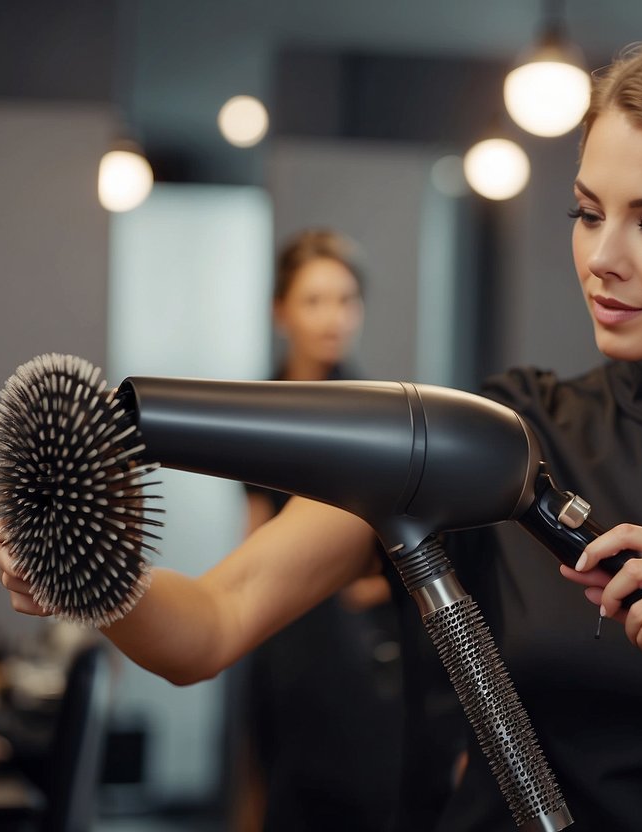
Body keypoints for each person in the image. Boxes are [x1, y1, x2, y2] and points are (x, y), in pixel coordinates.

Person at [0, 24, 642, 832]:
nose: (601, 258)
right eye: (585, 210)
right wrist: (97, 572)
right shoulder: (496, 437)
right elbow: (209, 624)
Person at [229, 228, 405, 832]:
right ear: (282, 311)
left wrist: (374, 591)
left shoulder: (377, 409)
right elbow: (254, 531)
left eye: (346, 299)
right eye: (314, 300)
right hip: (283, 630)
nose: (334, 317)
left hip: (357, 641)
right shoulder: (258, 410)